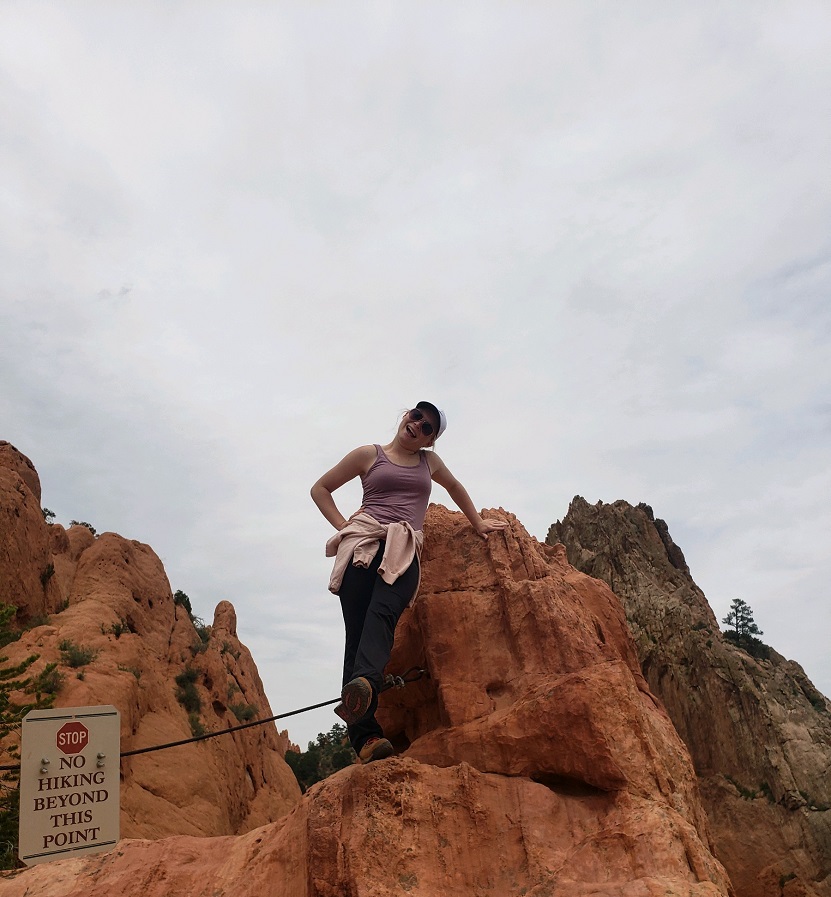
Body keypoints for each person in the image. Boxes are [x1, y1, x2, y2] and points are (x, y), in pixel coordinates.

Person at [310, 401, 508, 764]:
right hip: (363, 548)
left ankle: (365, 686)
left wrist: (478, 522)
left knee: (382, 616)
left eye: (428, 426)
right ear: (405, 416)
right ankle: (366, 738)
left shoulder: (428, 463)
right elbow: (320, 489)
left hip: (403, 550)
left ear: (431, 441)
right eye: (416, 416)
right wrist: (346, 528)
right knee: (356, 633)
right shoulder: (368, 455)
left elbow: (454, 486)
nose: (418, 424)